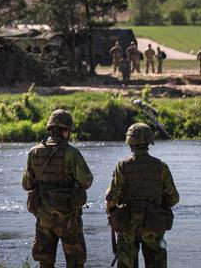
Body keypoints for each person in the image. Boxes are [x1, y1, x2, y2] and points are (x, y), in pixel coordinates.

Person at [22, 109, 93, 268]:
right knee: (75, 262)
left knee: (45, 263)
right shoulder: (71, 153)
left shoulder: (34, 152)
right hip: (69, 218)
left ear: (50, 129)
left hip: (44, 218)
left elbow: (26, 184)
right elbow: (87, 181)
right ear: (66, 131)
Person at [106, 123, 179, 268]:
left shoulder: (122, 165)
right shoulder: (161, 166)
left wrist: (111, 213)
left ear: (130, 143)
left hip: (127, 225)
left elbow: (111, 198)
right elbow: (174, 198)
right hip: (153, 224)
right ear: (149, 142)